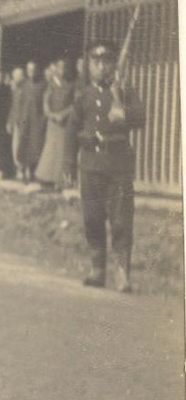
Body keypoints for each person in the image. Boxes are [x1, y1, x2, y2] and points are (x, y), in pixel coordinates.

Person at [64, 40, 144, 293]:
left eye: (106, 62)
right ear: (89, 65)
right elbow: (71, 130)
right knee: (92, 218)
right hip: (90, 165)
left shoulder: (124, 91)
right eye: (96, 62)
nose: (101, 67)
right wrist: (68, 164)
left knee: (121, 221)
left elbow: (141, 117)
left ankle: (123, 273)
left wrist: (125, 114)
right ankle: (97, 269)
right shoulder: (83, 96)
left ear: (113, 65)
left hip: (118, 166)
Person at [36, 57, 75, 189]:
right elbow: (45, 104)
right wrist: (52, 115)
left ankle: (61, 180)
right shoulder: (50, 85)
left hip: (64, 122)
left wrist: (63, 114)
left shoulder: (70, 85)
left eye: (64, 68)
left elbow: (74, 105)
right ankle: (46, 178)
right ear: (56, 69)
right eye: (59, 67)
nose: (62, 70)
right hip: (52, 123)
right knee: (50, 149)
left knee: (62, 150)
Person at [15, 60, 47, 183]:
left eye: (33, 69)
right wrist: (18, 118)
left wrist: (42, 120)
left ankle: (33, 173)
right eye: (29, 70)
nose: (31, 72)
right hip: (24, 120)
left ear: (37, 70)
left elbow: (45, 104)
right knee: (23, 146)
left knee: (35, 147)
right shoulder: (24, 84)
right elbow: (19, 102)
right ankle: (23, 173)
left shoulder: (43, 84)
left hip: (36, 121)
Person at [6, 66, 27, 177]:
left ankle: (23, 171)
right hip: (16, 123)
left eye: (18, 75)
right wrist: (10, 121)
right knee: (15, 146)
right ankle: (18, 169)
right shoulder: (15, 90)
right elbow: (13, 107)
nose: (16, 78)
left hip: (24, 123)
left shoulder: (26, 89)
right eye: (15, 75)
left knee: (22, 147)